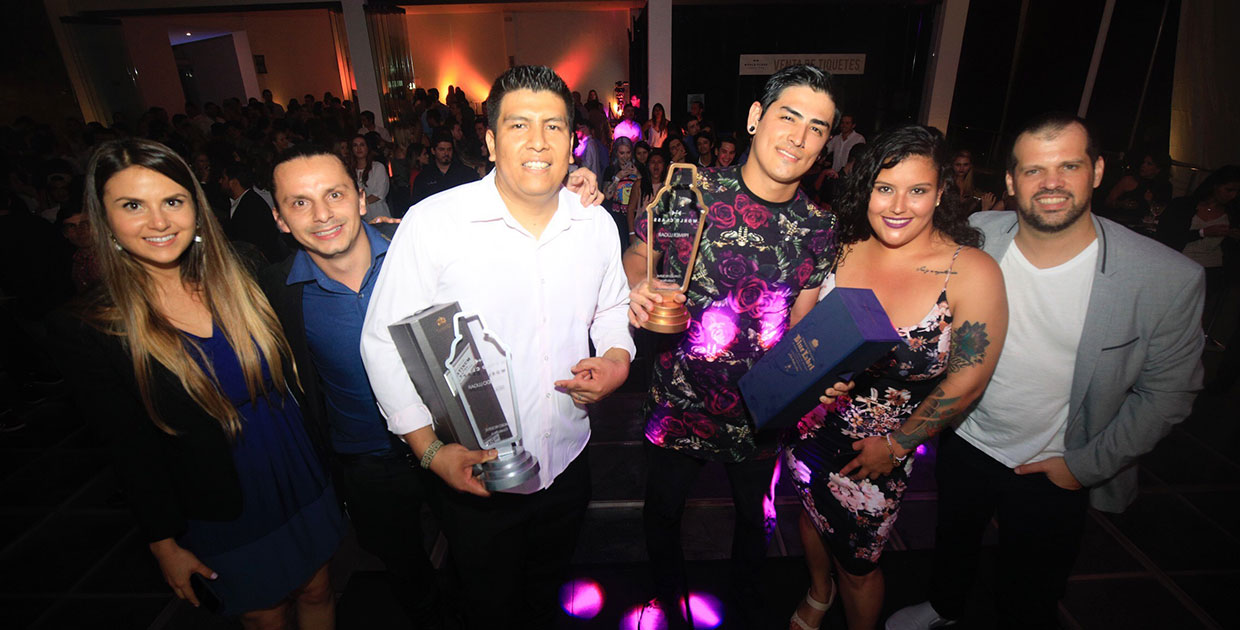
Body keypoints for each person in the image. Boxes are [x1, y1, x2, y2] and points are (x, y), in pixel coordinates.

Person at [887, 113, 1205, 630]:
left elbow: (1169, 393)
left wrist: (1083, 466)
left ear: (1096, 171)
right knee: (953, 537)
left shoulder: (1164, 278)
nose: (1051, 182)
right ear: (1011, 182)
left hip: (1058, 460)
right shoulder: (976, 238)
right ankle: (944, 606)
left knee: (1033, 586)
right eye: (1034, 170)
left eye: (1068, 166)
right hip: (967, 437)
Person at [359, 65, 635, 628]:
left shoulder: (595, 225)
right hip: (476, 474)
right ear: (489, 141)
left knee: (544, 597)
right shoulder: (435, 223)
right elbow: (383, 341)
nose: (538, 141)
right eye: (518, 125)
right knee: (486, 606)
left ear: (572, 140)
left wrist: (616, 359)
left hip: (568, 462)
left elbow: (611, 308)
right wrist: (429, 452)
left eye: (553, 126)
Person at [48, 139, 343, 628]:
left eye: (172, 201)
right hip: (221, 497)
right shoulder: (90, 326)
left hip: (299, 465)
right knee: (266, 615)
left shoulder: (243, 270)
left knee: (318, 588)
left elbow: (318, 275)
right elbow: (127, 446)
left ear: (196, 208)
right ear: (105, 220)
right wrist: (162, 542)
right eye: (132, 206)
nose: (158, 221)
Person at [625, 64, 841, 628]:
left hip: (760, 415)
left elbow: (801, 324)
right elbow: (639, 256)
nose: (799, 137)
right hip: (679, 401)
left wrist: (821, 373)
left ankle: (744, 609)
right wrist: (638, 287)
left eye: (817, 128)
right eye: (788, 117)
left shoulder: (819, 226)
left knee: (755, 521)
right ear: (755, 117)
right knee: (663, 512)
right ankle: (668, 602)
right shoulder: (692, 190)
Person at [782, 125, 1007, 630]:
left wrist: (898, 445)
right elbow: (802, 329)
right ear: (868, 188)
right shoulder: (841, 246)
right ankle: (818, 593)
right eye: (885, 188)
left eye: (917, 190)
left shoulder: (970, 271)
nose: (898, 206)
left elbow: (968, 381)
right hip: (810, 429)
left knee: (859, 565)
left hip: (881, 453)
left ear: (942, 192)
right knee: (811, 516)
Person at [1154, 164, 1240, 345]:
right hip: (1181, 263)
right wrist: (1203, 232)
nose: (1233, 195)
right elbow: (1168, 235)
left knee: (1192, 317)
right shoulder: (1184, 206)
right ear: (1216, 185)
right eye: (1229, 189)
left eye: (1236, 191)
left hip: (1212, 269)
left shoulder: (1233, 213)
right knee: (1165, 311)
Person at [221, 162, 287, 263]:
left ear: (233, 183)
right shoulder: (239, 202)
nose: (220, 181)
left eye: (223, 178)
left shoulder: (252, 206)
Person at [409, 131, 478, 206]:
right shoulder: (423, 178)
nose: (446, 153)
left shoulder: (466, 173)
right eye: (441, 149)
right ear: (433, 151)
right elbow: (417, 205)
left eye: (449, 149)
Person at [349, 134, 391, 220]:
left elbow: (379, 193)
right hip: (359, 218)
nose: (359, 148)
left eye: (362, 145)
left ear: (367, 147)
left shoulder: (377, 167)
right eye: (355, 145)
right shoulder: (350, 170)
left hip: (378, 216)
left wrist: (360, 203)